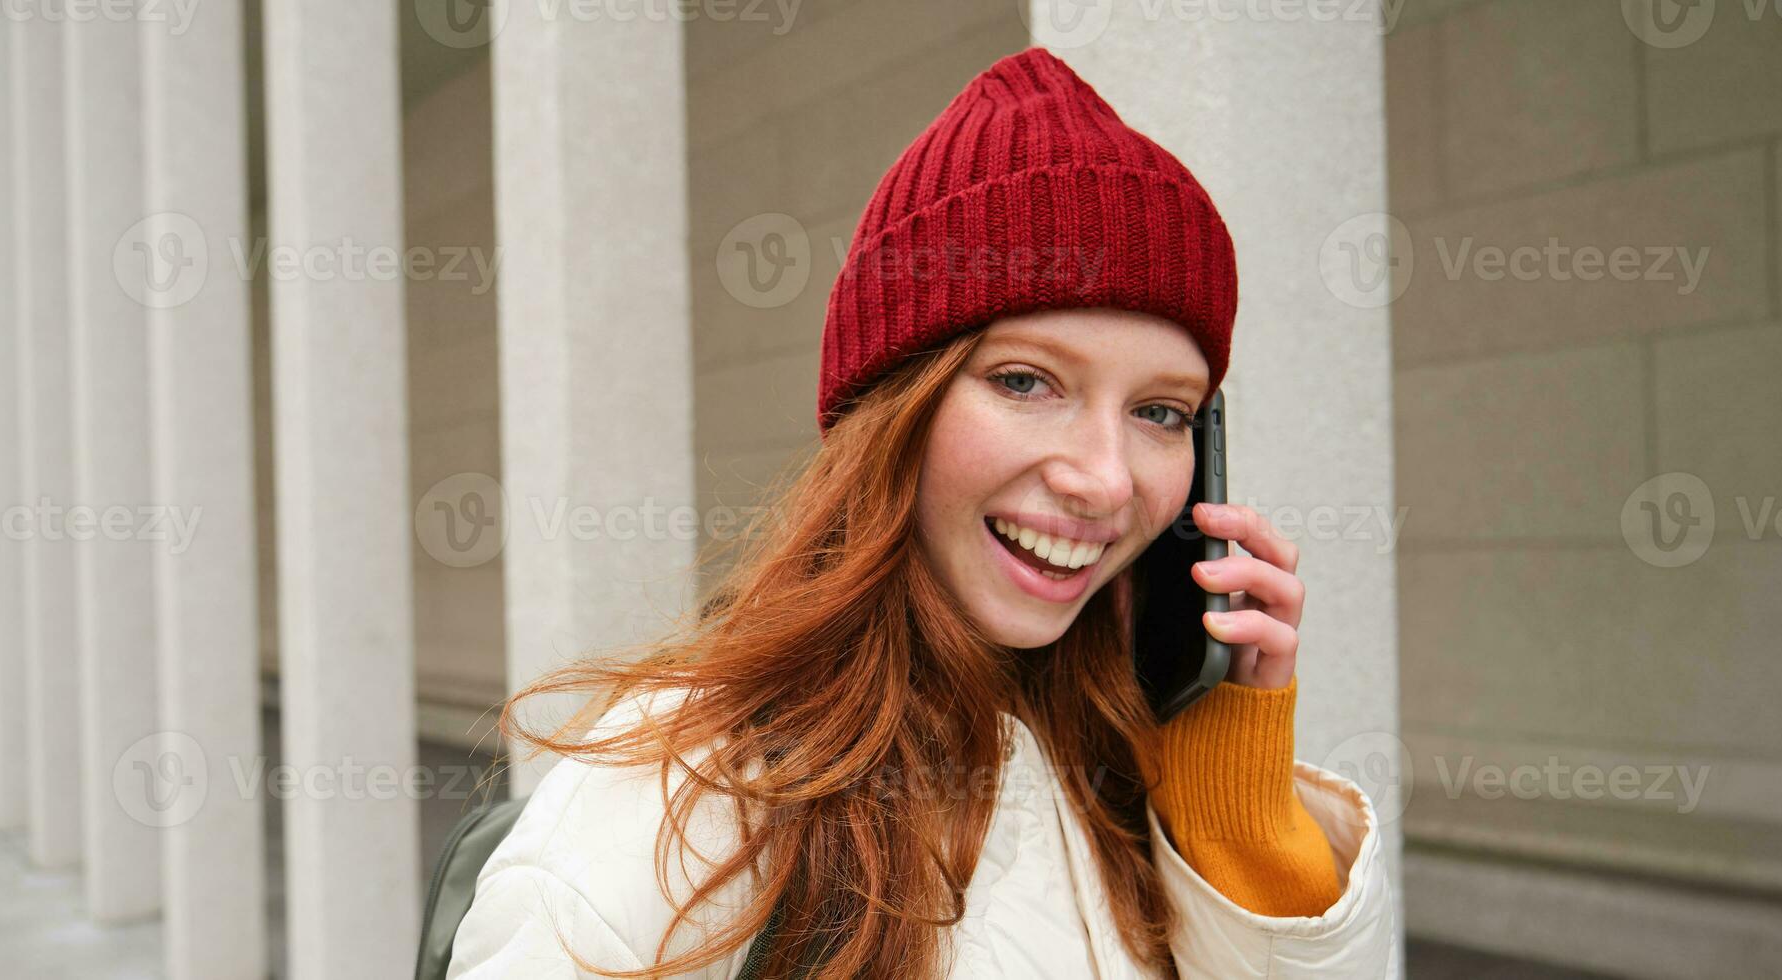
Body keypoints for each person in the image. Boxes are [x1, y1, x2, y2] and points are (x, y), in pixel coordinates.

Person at [448, 47, 1396, 979]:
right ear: (891, 414)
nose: (1108, 481)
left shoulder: (1120, 766)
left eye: (1161, 413)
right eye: (1027, 381)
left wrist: (1233, 795)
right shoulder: (679, 807)